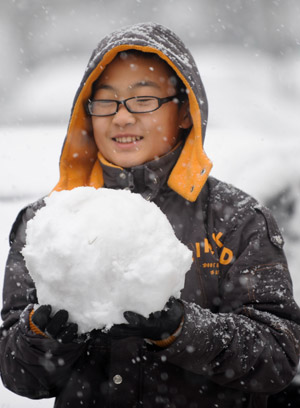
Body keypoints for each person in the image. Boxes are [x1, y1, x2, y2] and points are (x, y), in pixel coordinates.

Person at [0, 22, 300, 408]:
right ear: (87, 112)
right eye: (106, 101)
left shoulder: (236, 220)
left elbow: (279, 357)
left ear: (185, 112)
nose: (121, 118)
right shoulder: (49, 224)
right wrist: (42, 334)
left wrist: (182, 329)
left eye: (143, 100)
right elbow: (18, 375)